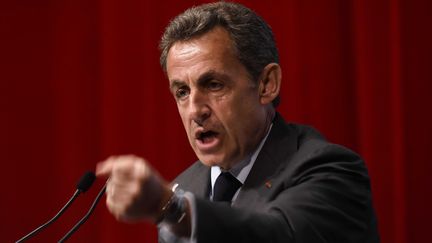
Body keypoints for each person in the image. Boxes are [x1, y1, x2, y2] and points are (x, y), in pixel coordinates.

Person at [96, 2, 379, 242]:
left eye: (214, 84)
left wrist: (169, 208)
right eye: (182, 92)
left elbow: (278, 233)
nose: (195, 110)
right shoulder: (186, 187)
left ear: (267, 84)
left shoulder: (331, 171)